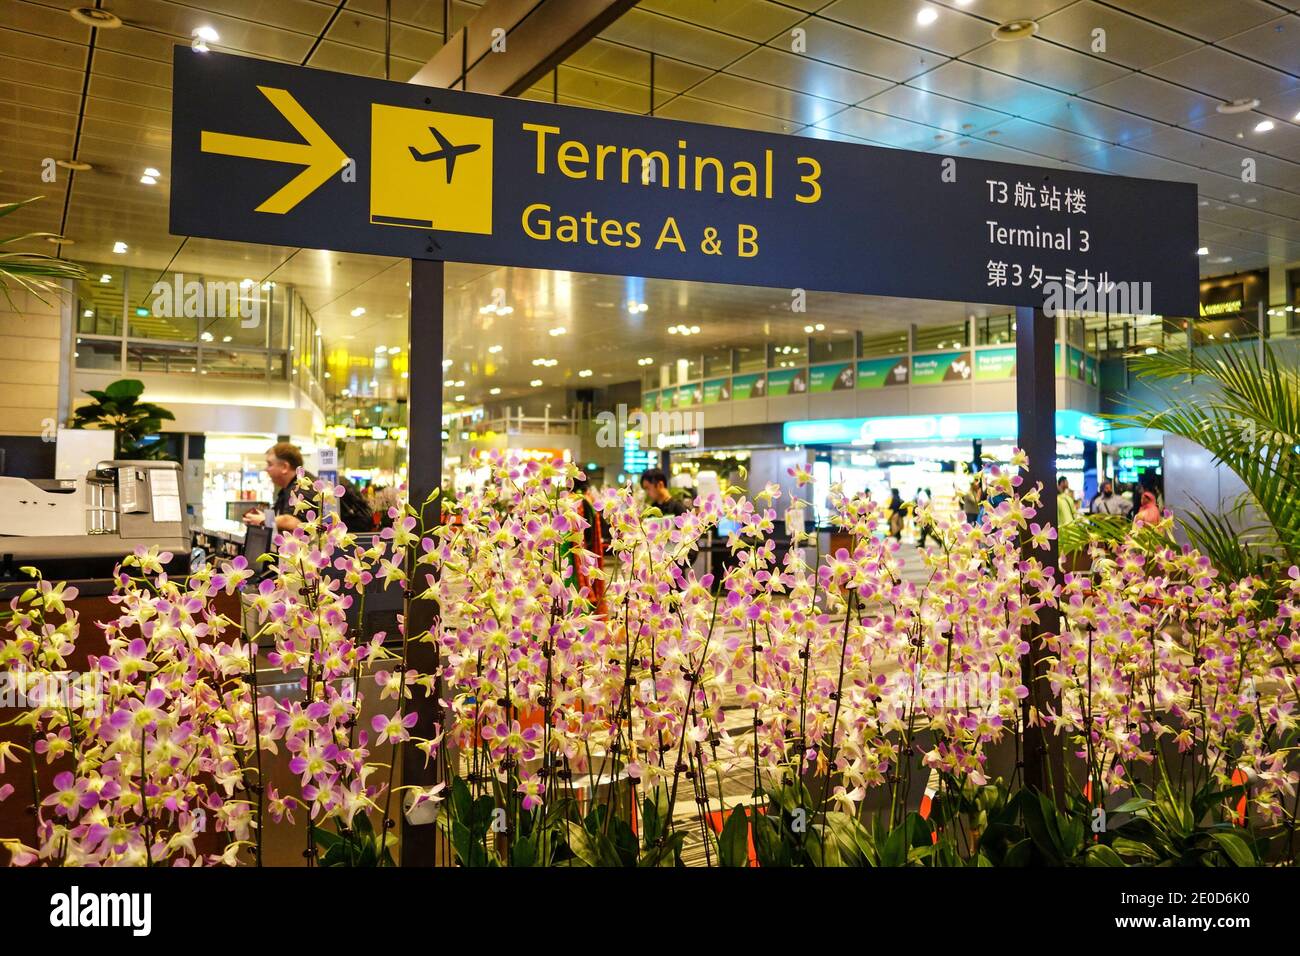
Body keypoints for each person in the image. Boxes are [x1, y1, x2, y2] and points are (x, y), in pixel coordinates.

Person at [242, 442, 373, 533]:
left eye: (270, 464)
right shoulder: (290, 489)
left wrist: (265, 520)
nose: (266, 469)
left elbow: (295, 522)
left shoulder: (303, 486)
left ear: (285, 467)